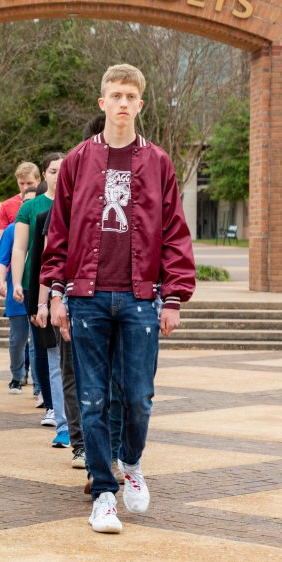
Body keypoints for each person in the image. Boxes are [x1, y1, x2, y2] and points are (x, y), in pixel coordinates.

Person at [42, 64, 195, 534]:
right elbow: (60, 231)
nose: (123, 102)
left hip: (139, 297)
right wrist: (55, 292)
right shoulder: (77, 161)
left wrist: (173, 296)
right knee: (91, 398)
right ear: (102, 102)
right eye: (115, 94)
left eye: (131, 95)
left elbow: (173, 230)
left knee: (138, 396)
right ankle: (104, 492)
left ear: (140, 104)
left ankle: (131, 462)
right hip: (86, 297)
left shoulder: (159, 163)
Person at [11, 155, 66, 434]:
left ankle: (66, 406)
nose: (58, 175)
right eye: (53, 171)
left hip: (68, 285)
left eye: (63, 170)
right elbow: (20, 248)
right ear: (45, 174)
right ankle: (51, 404)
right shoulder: (32, 207)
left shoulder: (76, 204)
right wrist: (17, 281)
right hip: (38, 282)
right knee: (43, 346)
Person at [0, 185, 36, 394]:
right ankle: (17, 376)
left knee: (38, 342)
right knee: (18, 339)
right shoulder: (12, 230)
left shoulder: (46, 224)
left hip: (38, 292)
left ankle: (39, 383)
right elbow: (1, 260)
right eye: (25, 203)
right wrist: (2, 282)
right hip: (17, 294)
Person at [0, 161, 40, 251]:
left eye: (29, 183)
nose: (25, 187)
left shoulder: (49, 201)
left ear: (38, 180)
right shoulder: (6, 205)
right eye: (21, 183)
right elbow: (0, 238)